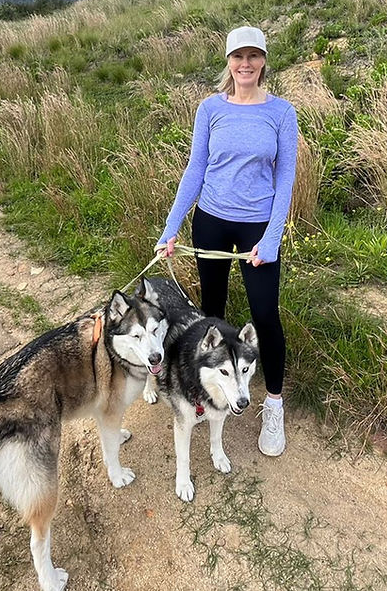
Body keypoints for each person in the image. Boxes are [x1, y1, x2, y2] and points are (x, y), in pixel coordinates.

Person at [156, 24, 298, 457]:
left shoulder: (281, 113)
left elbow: (285, 178)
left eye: (253, 56)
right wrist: (171, 227)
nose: (245, 64)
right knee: (212, 316)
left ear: (264, 61)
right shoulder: (210, 108)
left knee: (265, 316)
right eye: (238, 56)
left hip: (257, 227)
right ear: (229, 61)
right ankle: (213, 391)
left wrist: (271, 238)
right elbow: (195, 169)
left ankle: (273, 404)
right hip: (211, 222)